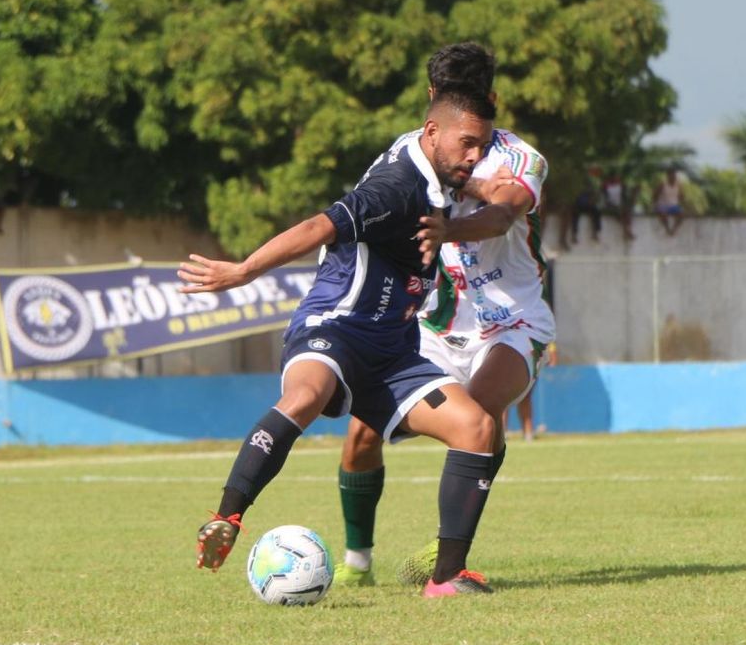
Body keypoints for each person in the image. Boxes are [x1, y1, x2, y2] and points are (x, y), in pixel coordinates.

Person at [179, 88, 506, 597]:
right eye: (468, 143)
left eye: (482, 146)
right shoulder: (396, 187)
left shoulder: (433, 173)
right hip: (334, 326)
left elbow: (471, 179)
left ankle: (446, 577)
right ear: (432, 132)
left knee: (478, 427)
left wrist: (488, 186)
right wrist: (243, 270)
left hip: (393, 354)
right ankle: (227, 515)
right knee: (305, 397)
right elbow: (319, 225)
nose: (475, 156)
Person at [333, 43, 555, 588]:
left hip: (513, 322)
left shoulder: (522, 159)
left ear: (493, 101)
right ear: (434, 101)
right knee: (360, 437)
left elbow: (503, 213)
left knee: (477, 416)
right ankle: (357, 562)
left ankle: (448, 553)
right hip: (430, 330)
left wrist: (457, 206)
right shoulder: (407, 156)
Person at [602, 171, 635, 241]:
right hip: (610, 205)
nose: (617, 179)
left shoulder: (622, 186)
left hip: (620, 205)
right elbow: (604, 196)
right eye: (615, 177)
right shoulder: (606, 185)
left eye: (618, 178)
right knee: (622, 213)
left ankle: (627, 232)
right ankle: (627, 232)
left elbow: (626, 196)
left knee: (627, 214)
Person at [653, 167, 686, 236]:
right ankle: (667, 229)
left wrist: (682, 202)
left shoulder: (678, 185)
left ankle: (674, 230)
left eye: (674, 175)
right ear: (668, 176)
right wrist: (655, 204)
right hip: (663, 205)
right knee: (663, 214)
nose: (673, 177)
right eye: (671, 175)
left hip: (674, 206)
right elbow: (655, 195)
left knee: (682, 215)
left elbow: (682, 197)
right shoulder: (662, 184)